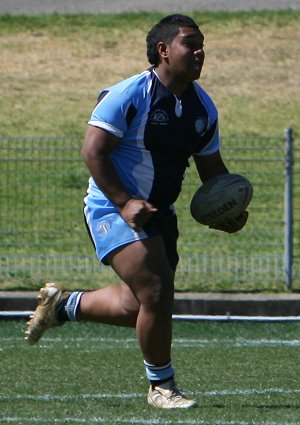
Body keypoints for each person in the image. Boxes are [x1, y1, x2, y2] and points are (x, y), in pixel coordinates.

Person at [25, 14, 248, 409]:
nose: (200, 52)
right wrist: (125, 202)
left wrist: (228, 211)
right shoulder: (131, 94)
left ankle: (63, 305)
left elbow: (213, 173)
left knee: (138, 307)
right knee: (157, 292)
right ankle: (161, 387)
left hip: (158, 213)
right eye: (190, 43)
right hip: (110, 206)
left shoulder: (203, 109)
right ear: (164, 50)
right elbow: (92, 151)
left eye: (202, 45)